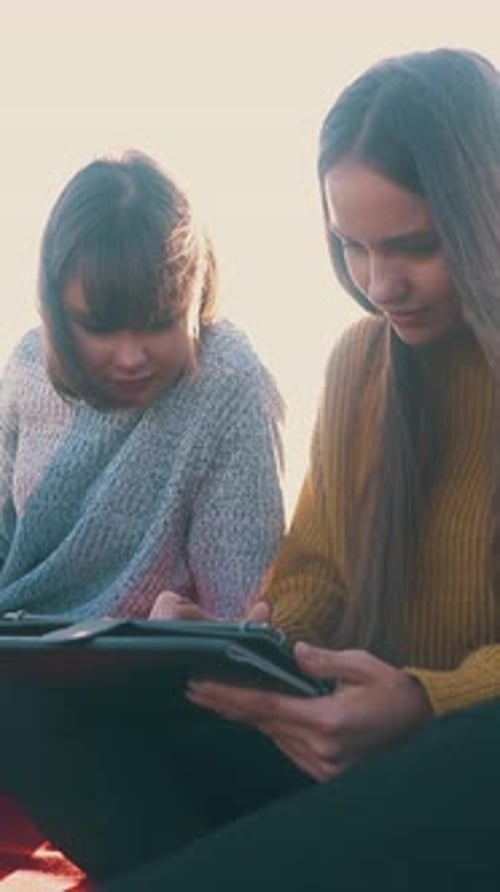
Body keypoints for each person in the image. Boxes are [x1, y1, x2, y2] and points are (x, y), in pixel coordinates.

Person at [2, 48, 500, 890]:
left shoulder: (232, 382)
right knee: (25, 702)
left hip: (460, 764)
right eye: (352, 248)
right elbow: (316, 580)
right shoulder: (360, 364)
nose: (380, 284)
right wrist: (227, 640)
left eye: (414, 246)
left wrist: (425, 703)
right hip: (349, 763)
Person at [0, 151, 285, 620]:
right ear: (58, 313)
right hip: (20, 652)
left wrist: (194, 630)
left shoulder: (226, 382)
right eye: (100, 327)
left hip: (153, 667)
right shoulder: (28, 365)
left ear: (194, 297)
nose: (131, 357)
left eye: (159, 323)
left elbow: (243, 612)